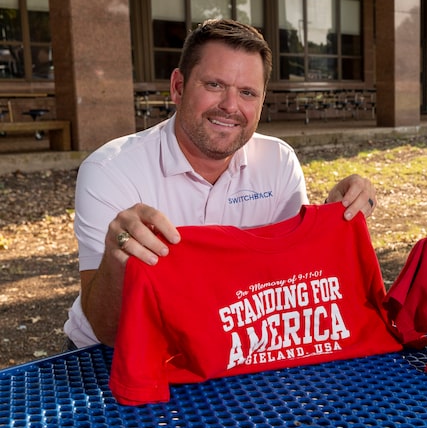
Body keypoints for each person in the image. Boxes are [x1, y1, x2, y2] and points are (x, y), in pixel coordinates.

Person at [65, 18, 377, 348]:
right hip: (108, 358)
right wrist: (118, 256)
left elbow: (291, 288)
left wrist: (330, 221)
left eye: (247, 93)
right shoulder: (111, 170)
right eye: (214, 85)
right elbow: (107, 331)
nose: (230, 106)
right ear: (178, 87)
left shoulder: (278, 161)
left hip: (227, 346)